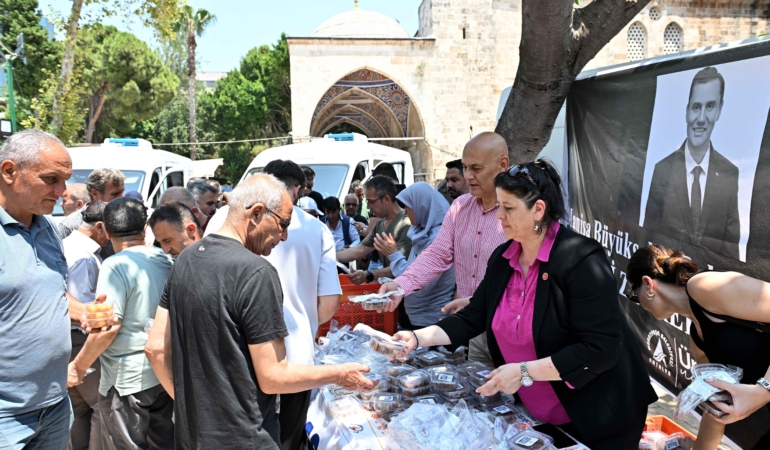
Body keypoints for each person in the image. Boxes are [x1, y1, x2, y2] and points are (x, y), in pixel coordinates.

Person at [388, 160, 657, 449]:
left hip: (600, 414)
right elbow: (472, 317)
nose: (499, 216)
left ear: (538, 210)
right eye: (499, 206)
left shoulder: (580, 258)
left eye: (509, 208)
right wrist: (416, 338)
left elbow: (599, 348)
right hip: (540, 414)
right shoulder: (503, 258)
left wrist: (524, 371)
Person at [143, 174, 375, 449]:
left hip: (192, 434)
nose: (284, 236)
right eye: (283, 224)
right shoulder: (256, 273)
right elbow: (273, 376)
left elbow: (156, 348)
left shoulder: (185, 260)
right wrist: (338, 374)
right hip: (245, 437)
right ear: (256, 214)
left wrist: (188, 406)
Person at [379, 132, 509, 366]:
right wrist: (401, 284)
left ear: (503, 165)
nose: (468, 176)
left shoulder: (516, 210)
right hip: (472, 326)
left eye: (476, 168)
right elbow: (438, 254)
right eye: (466, 167)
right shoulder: (460, 207)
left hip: (510, 325)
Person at [626, 245, 770, 449]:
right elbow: (715, 409)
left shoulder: (703, 286)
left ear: (648, 284)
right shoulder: (698, 340)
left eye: (633, 293)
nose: (636, 302)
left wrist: (764, 390)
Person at [67, 197, 174, 450]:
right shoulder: (166, 259)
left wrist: (78, 367)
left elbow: (110, 327)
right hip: (162, 374)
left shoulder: (116, 265)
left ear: (104, 228)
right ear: (145, 227)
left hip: (127, 381)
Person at [0, 129, 76, 450]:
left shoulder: (46, 226)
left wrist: (84, 312)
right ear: (9, 172)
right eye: (51, 179)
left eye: (65, 179)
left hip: (56, 406)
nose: (62, 191)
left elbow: (48, 291)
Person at [261, 160, 342, 450]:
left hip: (241, 354)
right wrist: (306, 323)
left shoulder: (225, 218)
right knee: (288, 439)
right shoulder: (316, 228)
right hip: (296, 355)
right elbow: (330, 303)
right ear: (297, 190)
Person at [644, 66, 740, 260]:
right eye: (696, 107)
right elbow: (649, 238)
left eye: (710, 107)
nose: (701, 119)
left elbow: (731, 248)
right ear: (687, 110)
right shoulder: (663, 169)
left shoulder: (730, 174)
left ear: (719, 110)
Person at [373, 182, 455, 328]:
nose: (405, 212)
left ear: (421, 206)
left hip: (432, 319)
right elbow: (412, 272)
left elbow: (421, 284)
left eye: (408, 207)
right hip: (417, 317)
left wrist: (394, 255)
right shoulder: (420, 233)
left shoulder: (438, 236)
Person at [62, 201, 110, 450]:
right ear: (100, 226)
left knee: (78, 410)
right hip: (80, 340)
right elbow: (81, 310)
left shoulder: (70, 245)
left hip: (68, 340)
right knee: (102, 409)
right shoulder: (83, 257)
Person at [338, 175, 413, 283]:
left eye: (371, 201)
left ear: (386, 199)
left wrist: (370, 274)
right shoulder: (380, 224)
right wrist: (329, 257)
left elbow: (402, 267)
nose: (368, 206)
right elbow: (359, 250)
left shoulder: (405, 224)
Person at [59, 168, 126, 239]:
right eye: (115, 194)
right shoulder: (70, 225)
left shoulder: (127, 217)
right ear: (95, 193)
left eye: (122, 192)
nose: (122, 197)